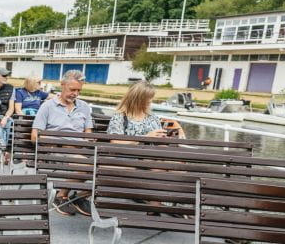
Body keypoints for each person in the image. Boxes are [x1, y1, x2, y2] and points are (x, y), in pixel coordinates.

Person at [31, 70, 94, 216]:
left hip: (81, 151)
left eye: (79, 90)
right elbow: (35, 137)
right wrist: (60, 144)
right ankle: (61, 195)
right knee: (91, 166)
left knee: (107, 167)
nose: (75, 94)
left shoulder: (84, 107)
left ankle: (79, 197)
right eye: (72, 89)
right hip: (56, 150)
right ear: (62, 85)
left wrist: (87, 143)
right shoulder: (47, 106)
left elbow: (88, 134)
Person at [108, 81, 186, 138]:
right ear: (137, 99)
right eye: (147, 98)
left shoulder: (152, 117)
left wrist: (165, 139)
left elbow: (160, 143)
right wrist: (146, 137)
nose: (150, 100)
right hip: (129, 157)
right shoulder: (119, 117)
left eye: (151, 97)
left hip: (152, 156)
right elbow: (115, 141)